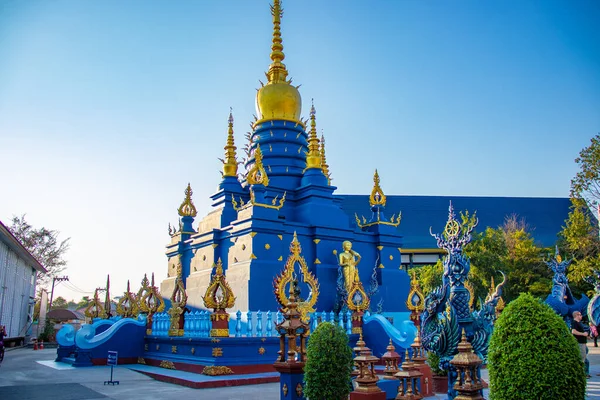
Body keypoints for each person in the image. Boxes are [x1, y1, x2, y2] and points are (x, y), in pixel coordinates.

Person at [572, 311, 591, 378]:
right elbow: (573, 331)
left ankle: (584, 373)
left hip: (582, 342)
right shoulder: (574, 322)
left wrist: (586, 336)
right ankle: (582, 374)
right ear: (576, 315)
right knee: (582, 359)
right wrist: (583, 334)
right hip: (580, 343)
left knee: (584, 357)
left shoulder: (579, 323)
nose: (581, 316)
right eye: (580, 315)